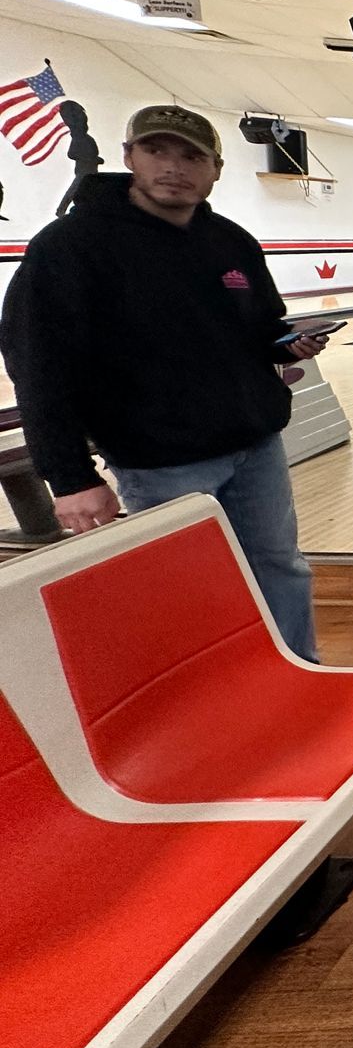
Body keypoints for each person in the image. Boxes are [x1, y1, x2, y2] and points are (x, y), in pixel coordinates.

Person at [0, 105, 326, 660]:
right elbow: (38, 367)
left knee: (280, 565)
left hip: (256, 447)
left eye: (191, 156)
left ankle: (300, 670)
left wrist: (286, 342)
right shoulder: (71, 247)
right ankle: (207, 690)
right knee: (186, 587)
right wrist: (70, 478)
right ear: (129, 158)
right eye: (157, 151)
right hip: (160, 461)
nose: (174, 167)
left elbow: (261, 324)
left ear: (215, 169)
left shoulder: (230, 240)